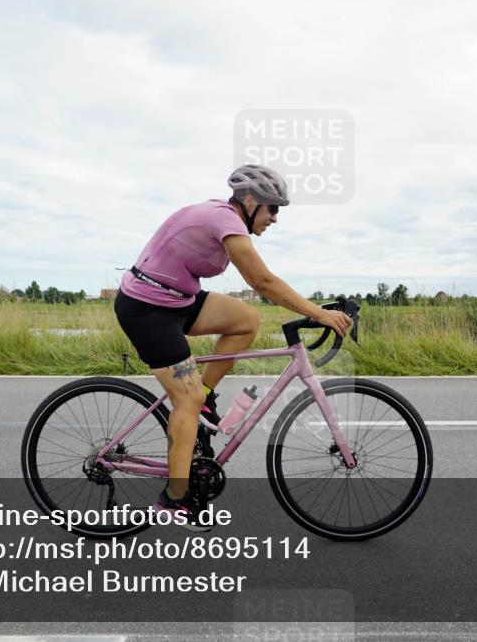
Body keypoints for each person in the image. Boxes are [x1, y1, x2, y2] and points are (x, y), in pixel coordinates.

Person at [114, 164, 352, 531]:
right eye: (274, 209)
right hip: (148, 310)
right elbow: (262, 280)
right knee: (186, 400)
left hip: (177, 300)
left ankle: (204, 396)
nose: (275, 218)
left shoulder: (230, 223)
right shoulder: (224, 221)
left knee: (247, 321)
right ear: (250, 200)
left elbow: (259, 286)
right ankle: (174, 499)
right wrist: (317, 313)